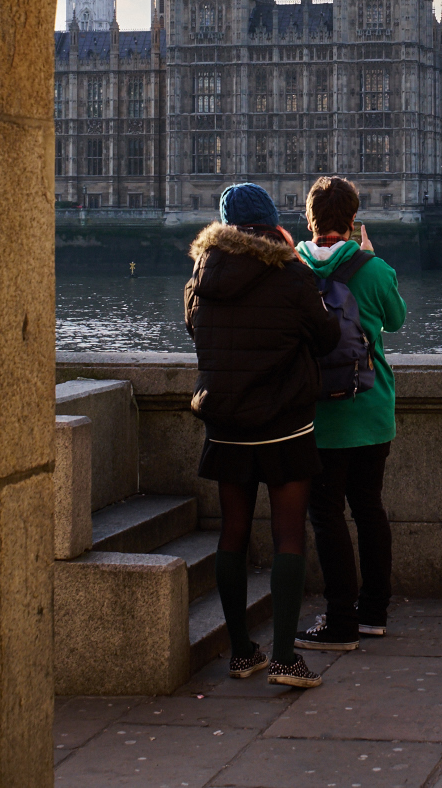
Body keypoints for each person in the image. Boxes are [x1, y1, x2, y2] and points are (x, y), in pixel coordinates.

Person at [184, 181, 339, 688]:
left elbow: (195, 330)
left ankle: (240, 652)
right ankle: (285, 658)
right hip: (283, 426)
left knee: (232, 533)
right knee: (288, 536)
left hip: (226, 425)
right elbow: (326, 335)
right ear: (271, 222)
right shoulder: (290, 274)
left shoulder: (201, 276)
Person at [293, 175, 407, 650]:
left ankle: (339, 620)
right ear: (354, 218)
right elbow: (397, 321)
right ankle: (373, 613)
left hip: (319, 415)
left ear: (309, 218)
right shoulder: (373, 268)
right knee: (369, 510)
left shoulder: (292, 269)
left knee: (327, 515)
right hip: (371, 407)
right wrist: (373, 258)